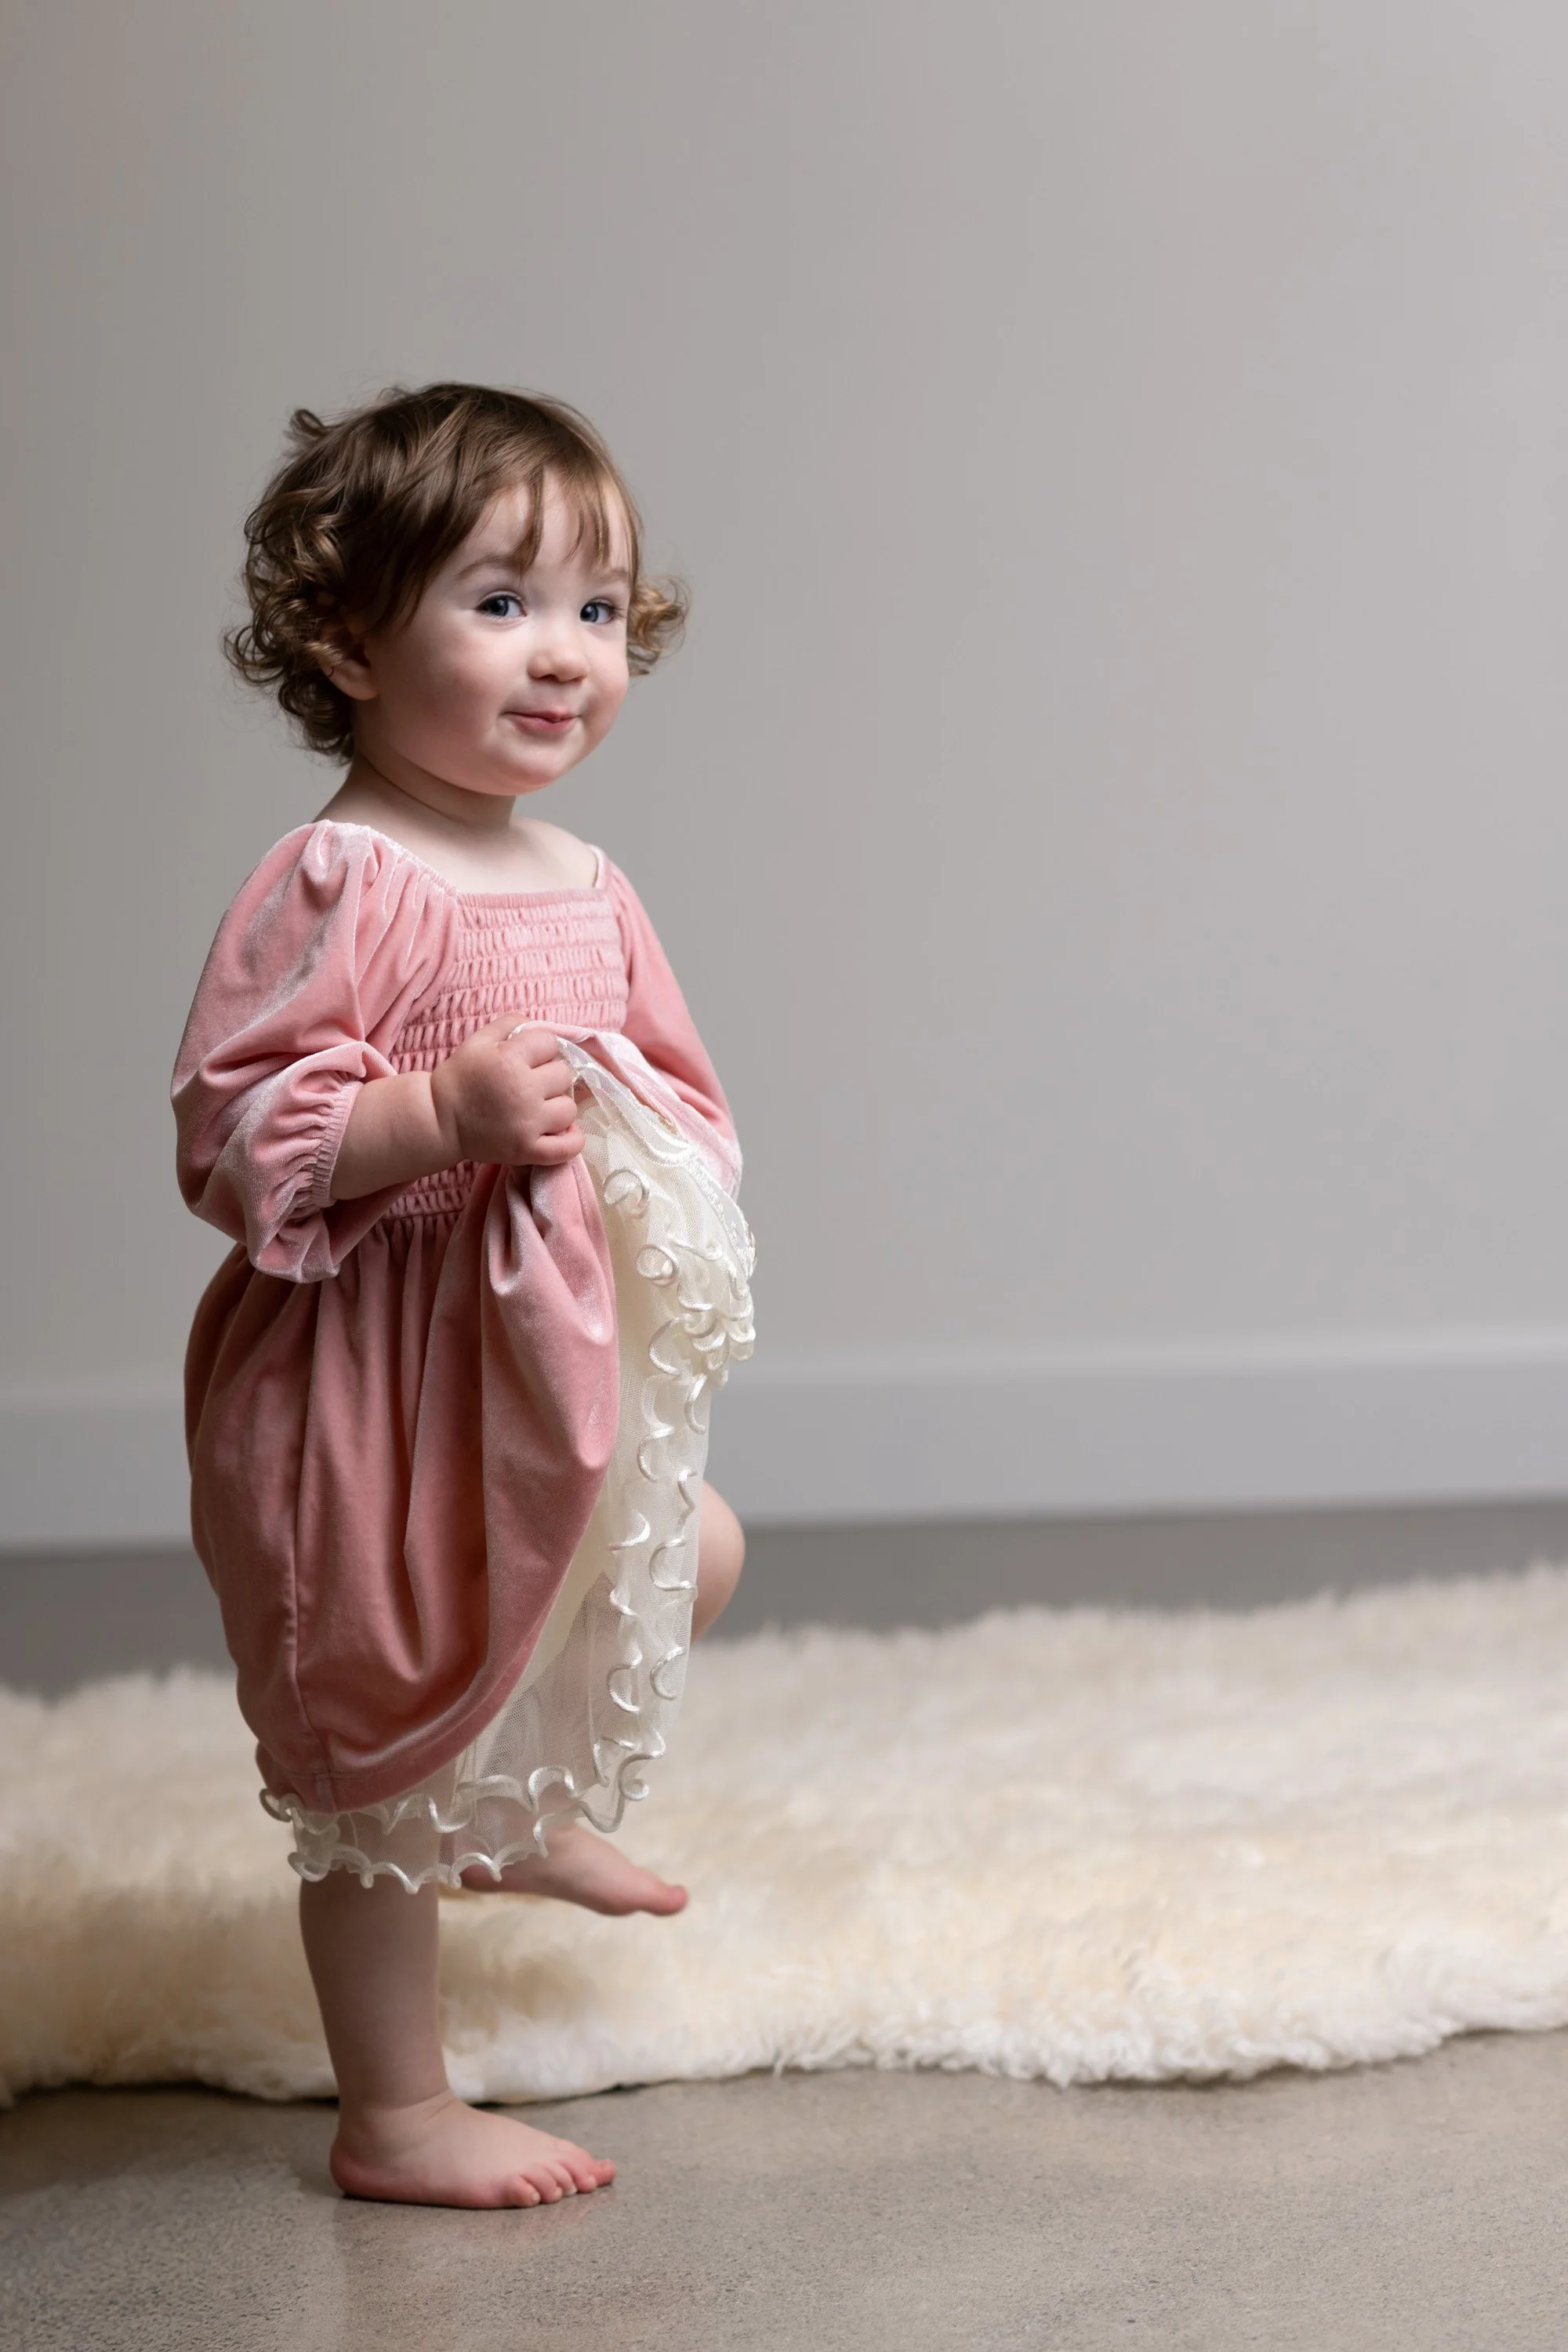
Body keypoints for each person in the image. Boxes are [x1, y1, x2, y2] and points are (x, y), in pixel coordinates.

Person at [172, 383, 753, 2210]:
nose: (564, 654)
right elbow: (231, 1121)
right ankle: (397, 2113)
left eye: (597, 607)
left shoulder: (588, 877)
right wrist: (432, 1113)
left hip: (542, 1361)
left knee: (696, 1551)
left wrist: (661, 1162)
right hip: (377, 1377)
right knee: (373, 1750)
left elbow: (676, 1074)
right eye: (498, 604)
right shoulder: (348, 875)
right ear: (349, 638)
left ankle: (512, 1807)